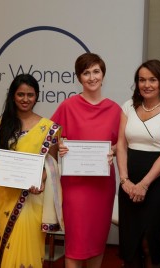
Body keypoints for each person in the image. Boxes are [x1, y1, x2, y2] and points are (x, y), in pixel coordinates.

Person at [50, 52, 121, 268]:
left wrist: (114, 150)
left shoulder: (116, 109)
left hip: (102, 186)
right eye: (86, 73)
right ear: (79, 78)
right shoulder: (67, 106)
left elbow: (123, 145)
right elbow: (50, 141)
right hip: (75, 186)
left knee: (97, 240)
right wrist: (59, 146)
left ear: (103, 75)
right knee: (76, 241)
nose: (92, 77)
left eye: (96, 71)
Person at [0, 74, 61, 268]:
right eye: (20, 94)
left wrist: (41, 180)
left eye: (30, 94)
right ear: (13, 96)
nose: (25, 99)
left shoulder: (48, 128)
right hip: (6, 196)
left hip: (33, 196)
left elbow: (52, 163)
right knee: (8, 246)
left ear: (36, 96)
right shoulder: (1, 125)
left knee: (31, 247)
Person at [116, 59, 160, 268]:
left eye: (152, 79)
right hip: (128, 182)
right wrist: (124, 179)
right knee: (130, 244)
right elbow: (121, 145)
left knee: (148, 243)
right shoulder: (128, 106)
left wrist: (144, 184)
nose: (147, 84)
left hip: (156, 184)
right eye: (142, 80)